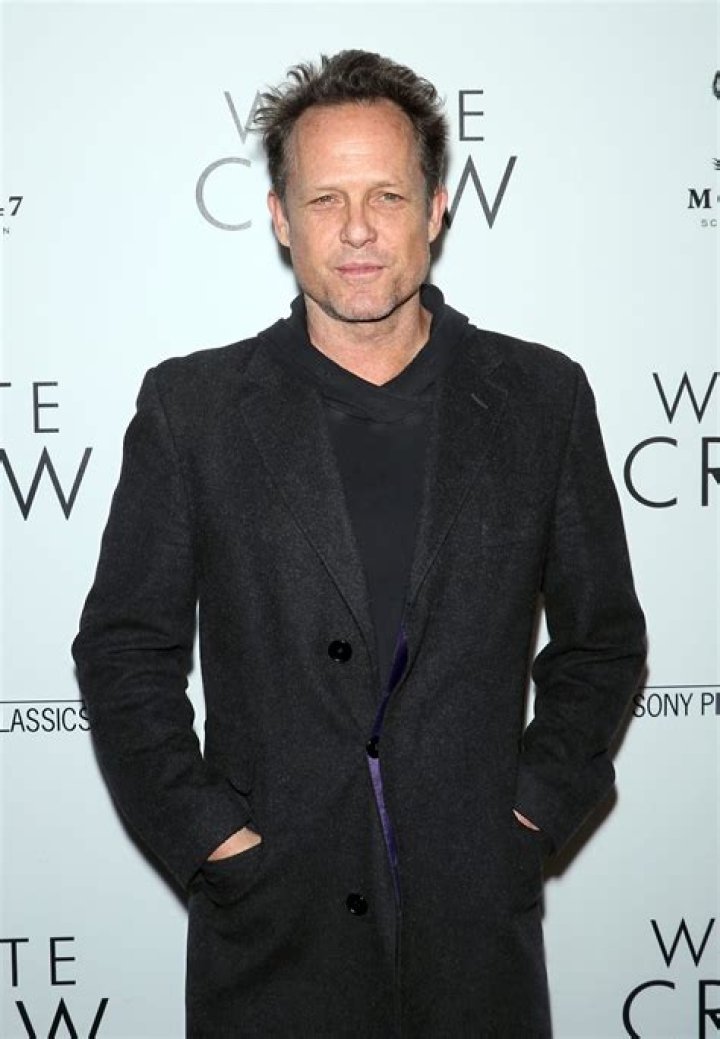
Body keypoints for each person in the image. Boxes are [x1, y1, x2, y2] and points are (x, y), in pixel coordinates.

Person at [73, 49, 646, 1038]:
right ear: (279, 217)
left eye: (387, 194)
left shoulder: (541, 398)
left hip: (475, 939)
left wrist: (528, 816)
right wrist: (213, 839)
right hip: (271, 941)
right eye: (325, 198)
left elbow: (602, 642)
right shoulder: (193, 409)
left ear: (436, 209)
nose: (357, 229)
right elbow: (124, 651)